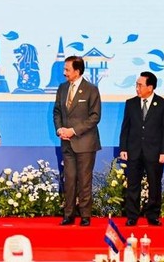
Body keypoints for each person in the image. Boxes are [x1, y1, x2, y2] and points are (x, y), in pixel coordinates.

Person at [53, 55, 101, 227]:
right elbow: (57, 112)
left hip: (85, 142)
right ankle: (69, 214)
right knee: (70, 179)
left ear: (77, 71)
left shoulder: (91, 89)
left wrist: (73, 131)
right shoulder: (62, 88)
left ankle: (85, 215)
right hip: (66, 142)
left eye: (67, 69)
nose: (64, 72)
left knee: (84, 180)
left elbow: (95, 117)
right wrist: (60, 129)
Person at [119, 71, 164, 227]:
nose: (137, 88)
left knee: (154, 185)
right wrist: (123, 147)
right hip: (134, 150)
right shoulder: (130, 103)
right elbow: (125, 128)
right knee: (132, 185)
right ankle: (132, 216)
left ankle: (153, 215)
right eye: (136, 84)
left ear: (150, 87)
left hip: (155, 153)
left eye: (140, 85)